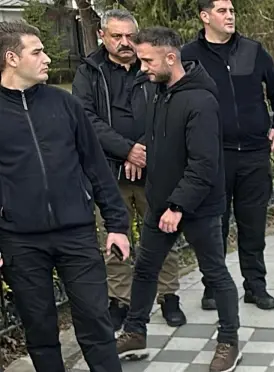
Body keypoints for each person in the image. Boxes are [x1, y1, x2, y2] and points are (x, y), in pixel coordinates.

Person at [0, 21, 137, 372]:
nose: (46, 59)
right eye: (37, 52)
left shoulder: (64, 105)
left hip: (76, 232)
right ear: (11, 58)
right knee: (39, 326)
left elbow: (96, 168)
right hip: (19, 239)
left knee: (96, 321)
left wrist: (116, 224)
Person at [116, 27, 242, 372]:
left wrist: (178, 206)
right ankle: (135, 331)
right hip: (162, 202)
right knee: (145, 268)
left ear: (170, 57)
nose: (142, 66)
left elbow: (204, 164)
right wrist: (140, 149)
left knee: (214, 272)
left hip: (196, 206)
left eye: (147, 60)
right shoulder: (159, 92)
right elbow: (163, 139)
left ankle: (229, 341)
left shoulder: (201, 101)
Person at [73, 8, 186, 329]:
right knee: (114, 236)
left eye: (130, 37)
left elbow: (171, 109)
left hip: (154, 168)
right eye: (117, 36)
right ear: (102, 36)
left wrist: (143, 149)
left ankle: (169, 295)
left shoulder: (153, 66)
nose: (125, 43)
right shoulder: (89, 72)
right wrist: (126, 150)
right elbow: (85, 118)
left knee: (163, 231)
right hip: (109, 171)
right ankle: (120, 300)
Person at [182, 0, 274, 311]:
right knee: (215, 224)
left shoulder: (253, 50)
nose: (230, 16)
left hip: (255, 154)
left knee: (253, 226)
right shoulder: (190, 56)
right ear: (205, 17)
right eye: (222, 11)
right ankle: (213, 287)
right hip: (214, 156)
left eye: (232, 11)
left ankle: (256, 286)